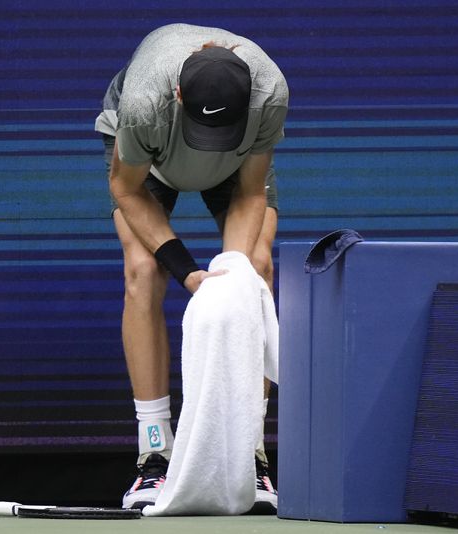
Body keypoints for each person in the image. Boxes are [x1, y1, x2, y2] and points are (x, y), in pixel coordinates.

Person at [94, 23, 288, 511]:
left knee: (257, 270)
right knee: (143, 270)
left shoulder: (270, 93)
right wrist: (187, 272)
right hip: (149, 168)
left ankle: (252, 452)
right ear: (178, 93)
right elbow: (126, 189)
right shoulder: (144, 105)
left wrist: (232, 275)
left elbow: (249, 192)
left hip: (235, 170)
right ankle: (154, 454)